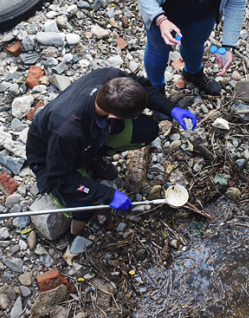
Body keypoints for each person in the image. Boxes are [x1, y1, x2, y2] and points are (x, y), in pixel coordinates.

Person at [25, 67, 197, 236]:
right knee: (85, 209)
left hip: (86, 140)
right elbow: (58, 176)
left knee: (147, 129)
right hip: (50, 159)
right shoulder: (67, 130)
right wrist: (108, 195)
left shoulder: (111, 78)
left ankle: (90, 158)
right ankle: (75, 234)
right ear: (114, 117)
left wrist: (171, 109)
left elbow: (142, 86)